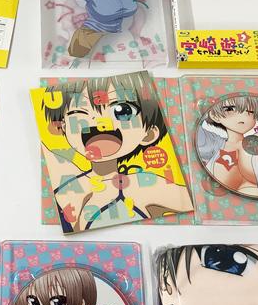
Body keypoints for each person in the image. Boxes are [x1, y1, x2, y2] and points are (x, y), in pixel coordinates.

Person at [40, 72, 193, 231]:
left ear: (149, 134)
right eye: (79, 114)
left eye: (121, 111)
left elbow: (188, 201)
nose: (100, 123)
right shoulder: (67, 183)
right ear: (63, 127)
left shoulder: (148, 184)